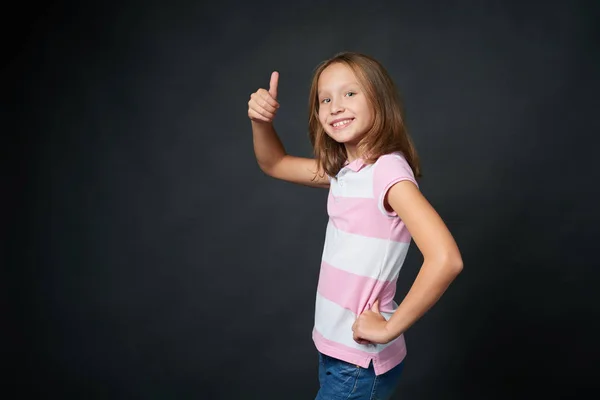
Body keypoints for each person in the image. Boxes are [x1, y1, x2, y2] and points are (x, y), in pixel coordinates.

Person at [247, 51, 463, 400]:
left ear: (379, 99)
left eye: (350, 93)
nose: (335, 106)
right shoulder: (345, 173)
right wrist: (261, 122)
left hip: (358, 365)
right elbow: (275, 163)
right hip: (336, 354)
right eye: (325, 99)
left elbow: (446, 259)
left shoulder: (387, 173)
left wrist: (390, 328)